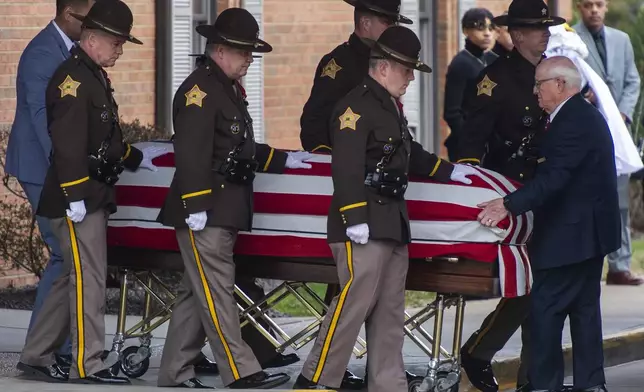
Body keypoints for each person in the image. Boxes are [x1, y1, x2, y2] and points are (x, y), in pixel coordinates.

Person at [292, 25, 478, 392]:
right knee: (352, 308)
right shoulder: (354, 106)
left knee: (390, 311)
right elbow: (344, 167)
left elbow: (410, 155)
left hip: (391, 220)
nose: (410, 77)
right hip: (362, 222)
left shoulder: (386, 106)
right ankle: (315, 379)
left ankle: (387, 382)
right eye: (406, 69)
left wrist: (452, 170)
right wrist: (355, 218)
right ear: (384, 67)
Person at [155, 7, 314, 389]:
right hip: (206, 209)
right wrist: (195, 205)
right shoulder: (200, 91)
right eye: (244, 52)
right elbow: (192, 152)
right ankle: (240, 371)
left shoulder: (224, 89)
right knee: (218, 293)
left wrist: (283, 160)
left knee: (196, 296)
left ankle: (175, 373)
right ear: (221, 49)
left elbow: (236, 147)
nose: (248, 60)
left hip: (222, 208)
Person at [15, 0, 166, 385]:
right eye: (116, 43)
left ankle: (35, 355)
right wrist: (75, 194)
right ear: (92, 38)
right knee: (89, 279)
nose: (119, 50)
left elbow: (103, 136)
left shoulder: (91, 74)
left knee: (72, 274)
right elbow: (64, 143)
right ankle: (89, 362)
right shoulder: (74, 79)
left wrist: (135, 156)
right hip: (77, 195)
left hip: (88, 191)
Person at [477, 56, 619, 392]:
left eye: (540, 83)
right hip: (586, 234)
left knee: (545, 312)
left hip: (570, 236)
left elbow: (555, 178)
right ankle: (590, 384)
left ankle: (544, 385)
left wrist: (508, 205)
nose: (535, 90)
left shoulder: (571, 120)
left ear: (560, 84)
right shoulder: (574, 116)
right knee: (584, 314)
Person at [454, 1, 570, 391]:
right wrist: (486, 194)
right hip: (515, 192)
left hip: (553, 190)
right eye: (537, 28)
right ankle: (514, 370)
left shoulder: (554, 71)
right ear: (517, 34)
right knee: (535, 286)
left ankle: (516, 371)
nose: (546, 33)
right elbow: (469, 144)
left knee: (541, 287)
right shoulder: (495, 79)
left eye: (547, 26)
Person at [5, 0, 95, 370]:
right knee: (64, 252)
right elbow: (45, 121)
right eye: (90, 21)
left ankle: (54, 346)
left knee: (70, 256)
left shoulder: (73, 50)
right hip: (43, 168)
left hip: (60, 168)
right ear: (69, 13)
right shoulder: (43, 53)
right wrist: (69, 175)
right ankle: (41, 350)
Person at [573, 0, 643, 286]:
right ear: (578, 7)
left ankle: (620, 265)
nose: (594, 10)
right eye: (588, 5)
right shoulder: (570, 39)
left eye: (599, 4)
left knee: (620, 199)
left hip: (618, 128)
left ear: (606, 6)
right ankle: (585, 263)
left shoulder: (621, 39)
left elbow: (632, 80)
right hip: (586, 128)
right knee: (584, 198)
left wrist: (623, 113)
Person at [299, 0, 411, 153]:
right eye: (387, 23)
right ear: (365, 23)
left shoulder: (387, 61)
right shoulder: (340, 63)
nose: (393, 29)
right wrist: (328, 161)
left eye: (395, 23)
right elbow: (315, 123)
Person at [443, 7, 498, 161]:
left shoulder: (493, 60)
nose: (487, 33)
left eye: (491, 27)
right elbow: (452, 113)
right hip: (466, 147)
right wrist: (471, 140)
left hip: (493, 144)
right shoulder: (460, 64)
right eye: (480, 26)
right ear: (466, 30)